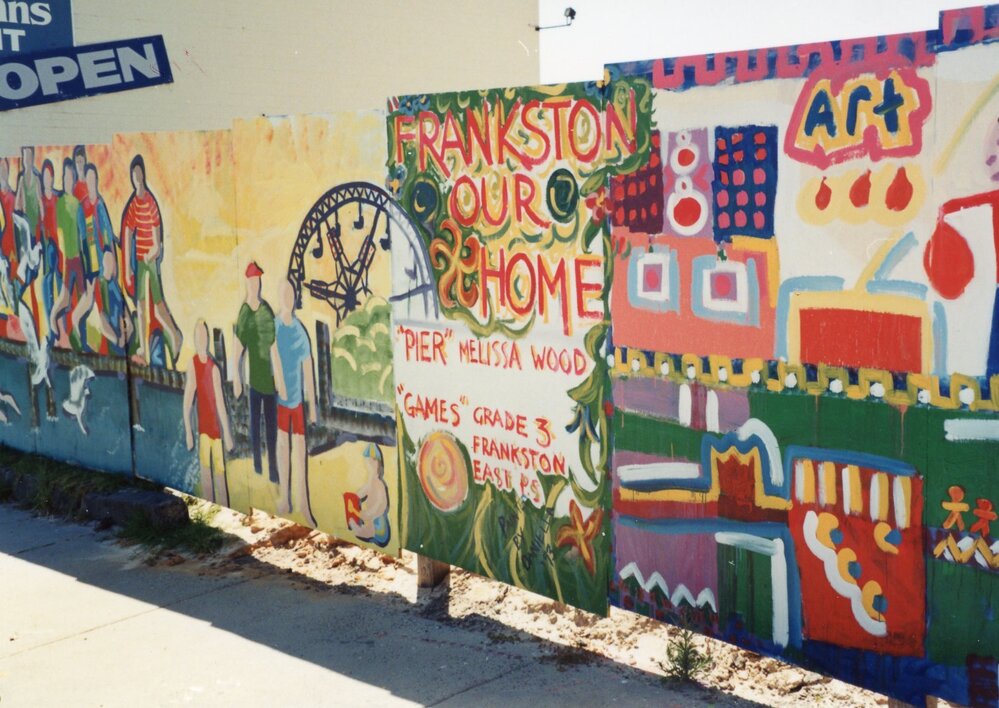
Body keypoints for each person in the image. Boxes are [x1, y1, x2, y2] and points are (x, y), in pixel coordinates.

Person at [121, 154, 182, 366]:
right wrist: (128, 265)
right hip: (139, 261)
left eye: (139, 175)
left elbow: (157, 242)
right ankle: (145, 352)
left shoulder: (150, 203)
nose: (137, 179)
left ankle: (174, 335)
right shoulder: (133, 205)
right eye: (133, 176)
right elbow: (128, 232)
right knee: (141, 305)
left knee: (156, 306)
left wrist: (151, 255)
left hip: (150, 261)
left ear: (143, 175)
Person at [272, 277, 317, 525]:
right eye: (284, 293)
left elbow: (308, 367)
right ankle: (285, 499)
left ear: (294, 297)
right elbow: (273, 354)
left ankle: (304, 505)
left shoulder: (299, 330)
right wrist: (280, 382)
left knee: (299, 451)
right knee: (282, 448)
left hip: (297, 402)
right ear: (279, 297)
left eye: (290, 293)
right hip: (282, 401)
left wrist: (313, 406)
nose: (287, 298)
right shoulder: (276, 326)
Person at [233, 262, 278, 482]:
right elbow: (237, 346)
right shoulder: (244, 313)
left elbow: (274, 346)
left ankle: (272, 470)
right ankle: (258, 467)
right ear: (247, 282)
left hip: (269, 381)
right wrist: (237, 377)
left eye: (258, 280)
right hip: (254, 381)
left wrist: (279, 378)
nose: (255, 284)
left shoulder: (266, 310)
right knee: (254, 427)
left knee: (271, 429)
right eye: (252, 280)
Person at [183, 319, 234, 506]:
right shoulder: (193, 364)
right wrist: (188, 431)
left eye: (204, 335)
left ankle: (225, 507)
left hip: (216, 432)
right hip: (203, 430)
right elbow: (188, 399)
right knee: (206, 472)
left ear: (208, 339)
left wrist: (227, 434)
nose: (201, 339)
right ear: (195, 339)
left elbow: (221, 403)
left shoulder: (213, 369)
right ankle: (211, 506)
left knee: (220, 474)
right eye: (198, 336)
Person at [49, 159, 83, 345]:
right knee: (65, 298)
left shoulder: (77, 203)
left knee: (79, 297)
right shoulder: (61, 203)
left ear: (74, 180)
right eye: (64, 176)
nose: (66, 180)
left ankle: (73, 327)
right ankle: (55, 321)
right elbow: (61, 234)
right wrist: (63, 261)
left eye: (69, 177)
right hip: (69, 259)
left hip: (78, 258)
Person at [347, 443, 391, 547]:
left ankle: (365, 532)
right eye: (368, 462)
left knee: (358, 529)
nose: (369, 465)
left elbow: (372, 512)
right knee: (352, 522)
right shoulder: (370, 483)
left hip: (379, 528)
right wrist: (351, 499)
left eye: (372, 461)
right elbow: (359, 494)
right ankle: (362, 529)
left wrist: (355, 511)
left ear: (378, 464)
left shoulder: (380, 486)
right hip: (370, 523)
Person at [39, 160, 60, 340]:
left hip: (58, 246)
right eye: (45, 176)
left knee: (60, 283)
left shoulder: (57, 198)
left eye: (50, 176)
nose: (48, 179)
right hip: (47, 247)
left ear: (52, 177)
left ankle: (60, 329)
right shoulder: (41, 201)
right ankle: (51, 329)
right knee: (47, 284)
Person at [97, 250, 132, 356]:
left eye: (112, 261)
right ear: (103, 263)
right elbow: (101, 318)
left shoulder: (115, 285)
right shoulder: (100, 285)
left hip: (122, 337)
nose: (110, 265)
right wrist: (117, 340)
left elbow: (125, 311)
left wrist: (127, 331)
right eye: (108, 261)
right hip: (111, 340)